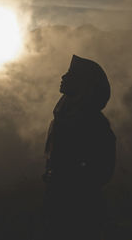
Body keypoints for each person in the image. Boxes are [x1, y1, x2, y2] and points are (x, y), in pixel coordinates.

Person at [42, 55, 116, 240]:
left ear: (83, 84)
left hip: (80, 208)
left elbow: (102, 169)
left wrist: (71, 182)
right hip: (59, 202)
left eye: (70, 74)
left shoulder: (93, 123)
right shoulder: (66, 117)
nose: (63, 77)